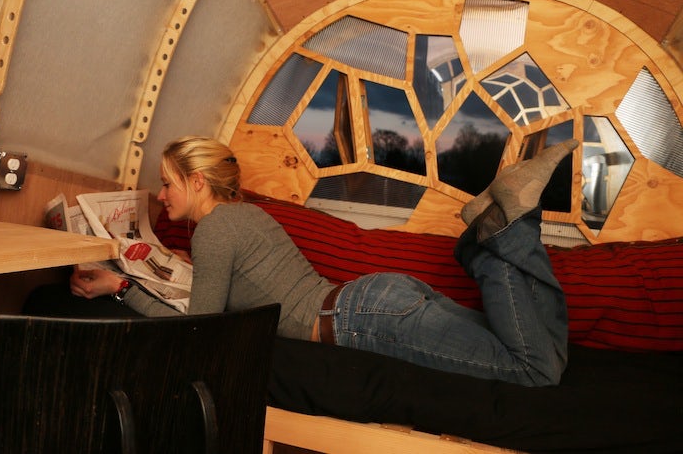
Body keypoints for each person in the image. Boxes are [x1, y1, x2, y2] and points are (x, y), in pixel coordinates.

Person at [28, 135, 578, 387]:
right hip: (379, 298)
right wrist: (166, 260)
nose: (162, 195)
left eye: (168, 183)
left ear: (197, 183)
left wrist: (120, 289)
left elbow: (198, 327)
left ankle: (495, 241)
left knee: (533, 370)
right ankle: (493, 237)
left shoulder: (215, 230)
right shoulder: (245, 216)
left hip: (365, 320)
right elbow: (234, 282)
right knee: (545, 352)